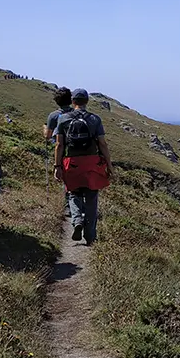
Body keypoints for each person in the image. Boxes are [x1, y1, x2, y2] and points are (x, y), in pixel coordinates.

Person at [53, 88, 112, 245]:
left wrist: (57, 166)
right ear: (86, 101)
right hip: (92, 163)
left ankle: (77, 220)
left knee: (73, 194)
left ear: (73, 101)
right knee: (92, 197)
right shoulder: (95, 119)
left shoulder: (63, 119)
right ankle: (91, 236)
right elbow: (103, 144)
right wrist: (109, 165)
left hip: (72, 163)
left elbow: (59, 145)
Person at [44, 87, 74, 216]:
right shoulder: (76, 113)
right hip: (76, 147)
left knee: (67, 176)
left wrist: (44, 128)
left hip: (60, 148)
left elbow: (48, 135)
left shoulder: (54, 115)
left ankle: (69, 206)